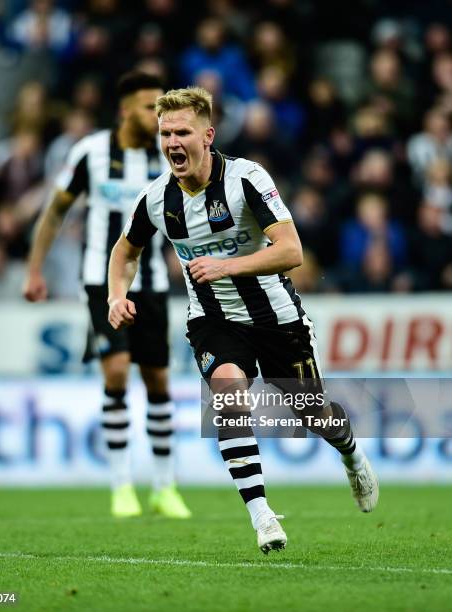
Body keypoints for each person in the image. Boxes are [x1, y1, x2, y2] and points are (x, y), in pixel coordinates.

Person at [107, 86, 379, 553]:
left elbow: (292, 251)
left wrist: (226, 265)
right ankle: (263, 516)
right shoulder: (156, 198)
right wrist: (116, 294)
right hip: (214, 321)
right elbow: (124, 251)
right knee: (229, 396)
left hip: (278, 320)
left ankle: (351, 454)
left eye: (183, 132)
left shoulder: (246, 178)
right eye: (165, 133)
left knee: (313, 413)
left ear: (207, 135)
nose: (173, 142)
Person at [23, 72, 191, 520]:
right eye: (146, 107)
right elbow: (55, 210)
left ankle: (164, 486)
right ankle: (121, 487)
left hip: (153, 282)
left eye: (160, 108)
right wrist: (35, 269)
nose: (156, 117)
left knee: (157, 380)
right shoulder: (91, 153)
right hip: (101, 279)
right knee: (116, 371)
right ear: (123, 110)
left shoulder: (167, 154)